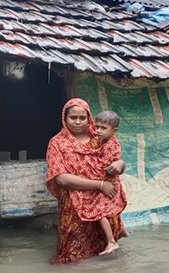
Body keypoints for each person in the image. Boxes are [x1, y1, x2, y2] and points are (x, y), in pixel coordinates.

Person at [45, 99, 127, 263]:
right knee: (72, 256)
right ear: (64, 118)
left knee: (106, 255)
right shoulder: (57, 143)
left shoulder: (99, 137)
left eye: (82, 117)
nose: (77, 122)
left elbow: (114, 159)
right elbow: (61, 178)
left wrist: (120, 164)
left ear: (89, 118)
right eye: (72, 117)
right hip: (73, 207)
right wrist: (100, 185)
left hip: (103, 201)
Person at [76, 110, 129, 255]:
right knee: (111, 207)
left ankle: (111, 241)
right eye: (97, 127)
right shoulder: (104, 141)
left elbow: (102, 166)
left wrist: (86, 168)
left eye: (103, 128)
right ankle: (122, 230)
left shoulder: (110, 145)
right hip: (110, 182)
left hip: (108, 182)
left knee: (99, 212)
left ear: (114, 130)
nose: (98, 131)